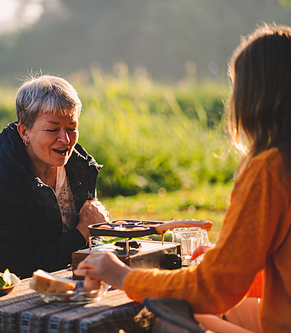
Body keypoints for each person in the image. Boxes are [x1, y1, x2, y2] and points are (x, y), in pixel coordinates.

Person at [74, 23, 291, 333]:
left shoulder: (272, 167)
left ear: (255, 95)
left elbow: (212, 289)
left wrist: (122, 276)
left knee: (161, 320)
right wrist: (229, 258)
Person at [0, 75, 109, 278]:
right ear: (24, 132)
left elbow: (92, 234)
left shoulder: (80, 166)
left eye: (72, 128)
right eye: (52, 129)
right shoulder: (1, 179)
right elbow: (18, 267)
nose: (65, 139)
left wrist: (92, 234)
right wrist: (82, 231)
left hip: (60, 274)